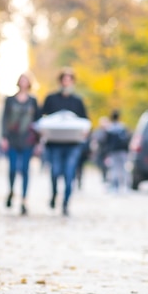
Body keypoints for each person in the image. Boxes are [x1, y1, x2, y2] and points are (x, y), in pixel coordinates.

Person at [40, 67, 88, 216]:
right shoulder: (51, 98)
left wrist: (85, 133)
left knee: (69, 174)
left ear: (73, 81)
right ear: (60, 80)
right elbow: (41, 119)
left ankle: (66, 203)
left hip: (73, 145)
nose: (66, 82)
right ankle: (54, 194)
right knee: (54, 172)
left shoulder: (78, 101)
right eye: (64, 79)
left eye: (69, 79)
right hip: (54, 144)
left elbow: (85, 121)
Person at [0, 71, 40, 215]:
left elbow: (37, 121)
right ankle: (11, 191)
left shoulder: (33, 100)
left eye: (26, 80)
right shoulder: (9, 100)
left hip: (28, 140)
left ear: (29, 83)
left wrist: (39, 141)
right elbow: (4, 118)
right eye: (21, 80)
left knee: (24, 169)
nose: (23, 82)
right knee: (12, 169)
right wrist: (4, 137)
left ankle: (24, 199)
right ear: (18, 82)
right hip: (12, 139)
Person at [104, 109, 130, 192]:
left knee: (114, 169)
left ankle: (115, 186)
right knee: (123, 169)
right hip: (122, 151)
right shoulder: (122, 127)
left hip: (113, 152)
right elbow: (127, 140)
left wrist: (106, 153)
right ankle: (125, 186)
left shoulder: (109, 128)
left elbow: (107, 142)